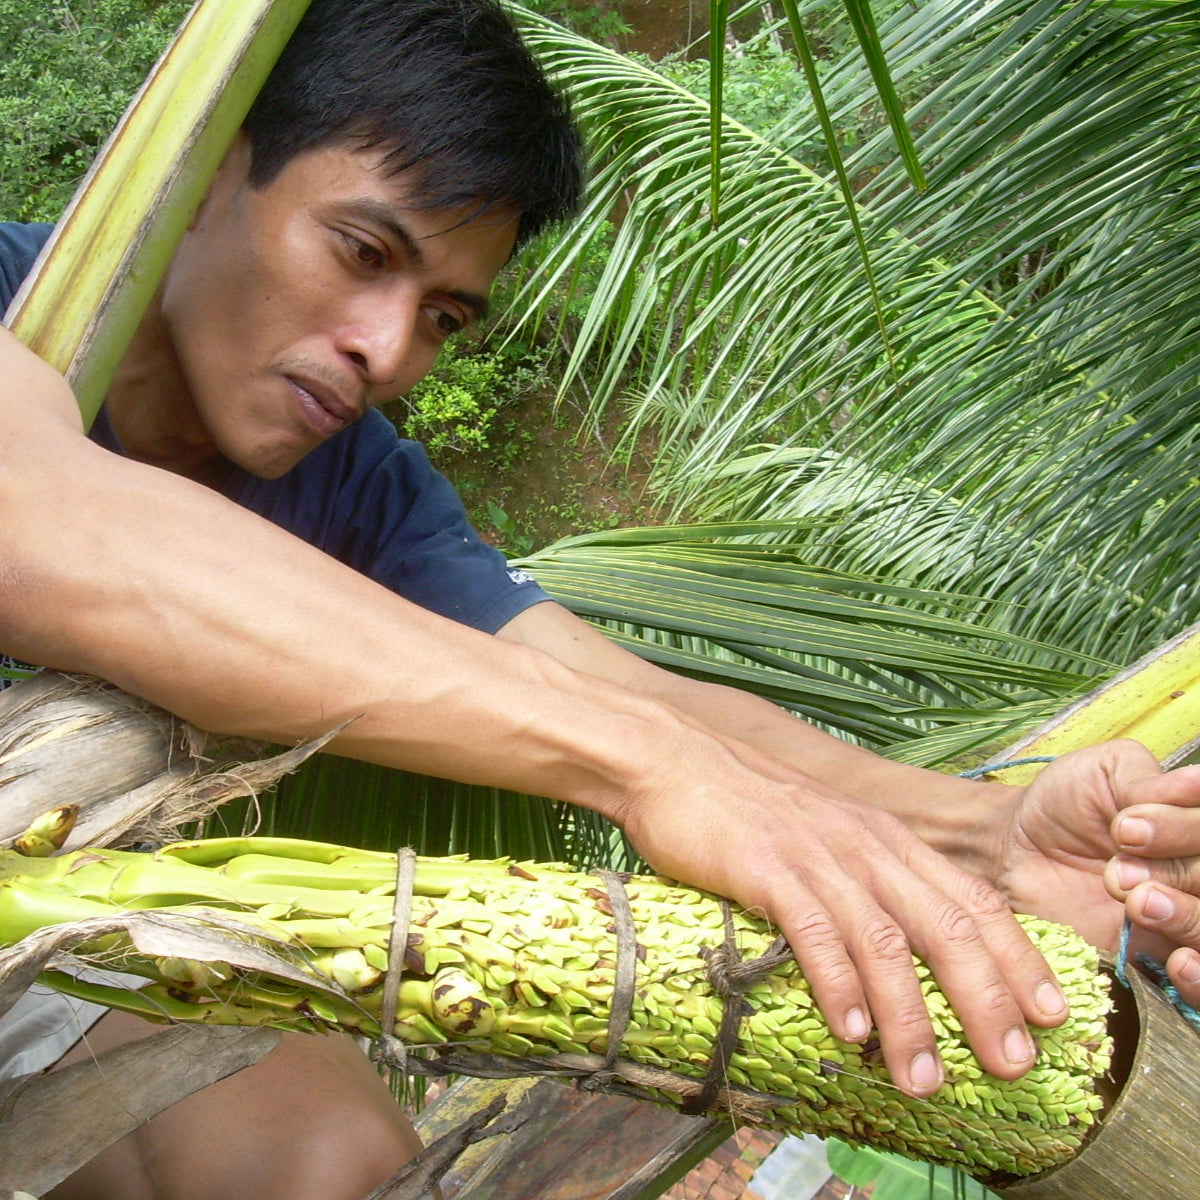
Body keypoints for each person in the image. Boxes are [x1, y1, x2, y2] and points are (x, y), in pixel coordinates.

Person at [2, 1, 1200, 1196]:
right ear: (210, 171)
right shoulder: (15, 299)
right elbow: (50, 523)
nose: (387, 351)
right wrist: (646, 768)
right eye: (364, 253)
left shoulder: (356, 483)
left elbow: (592, 676)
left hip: (41, 935)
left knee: (328, 1167)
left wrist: (979, 834)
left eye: (443, 318)